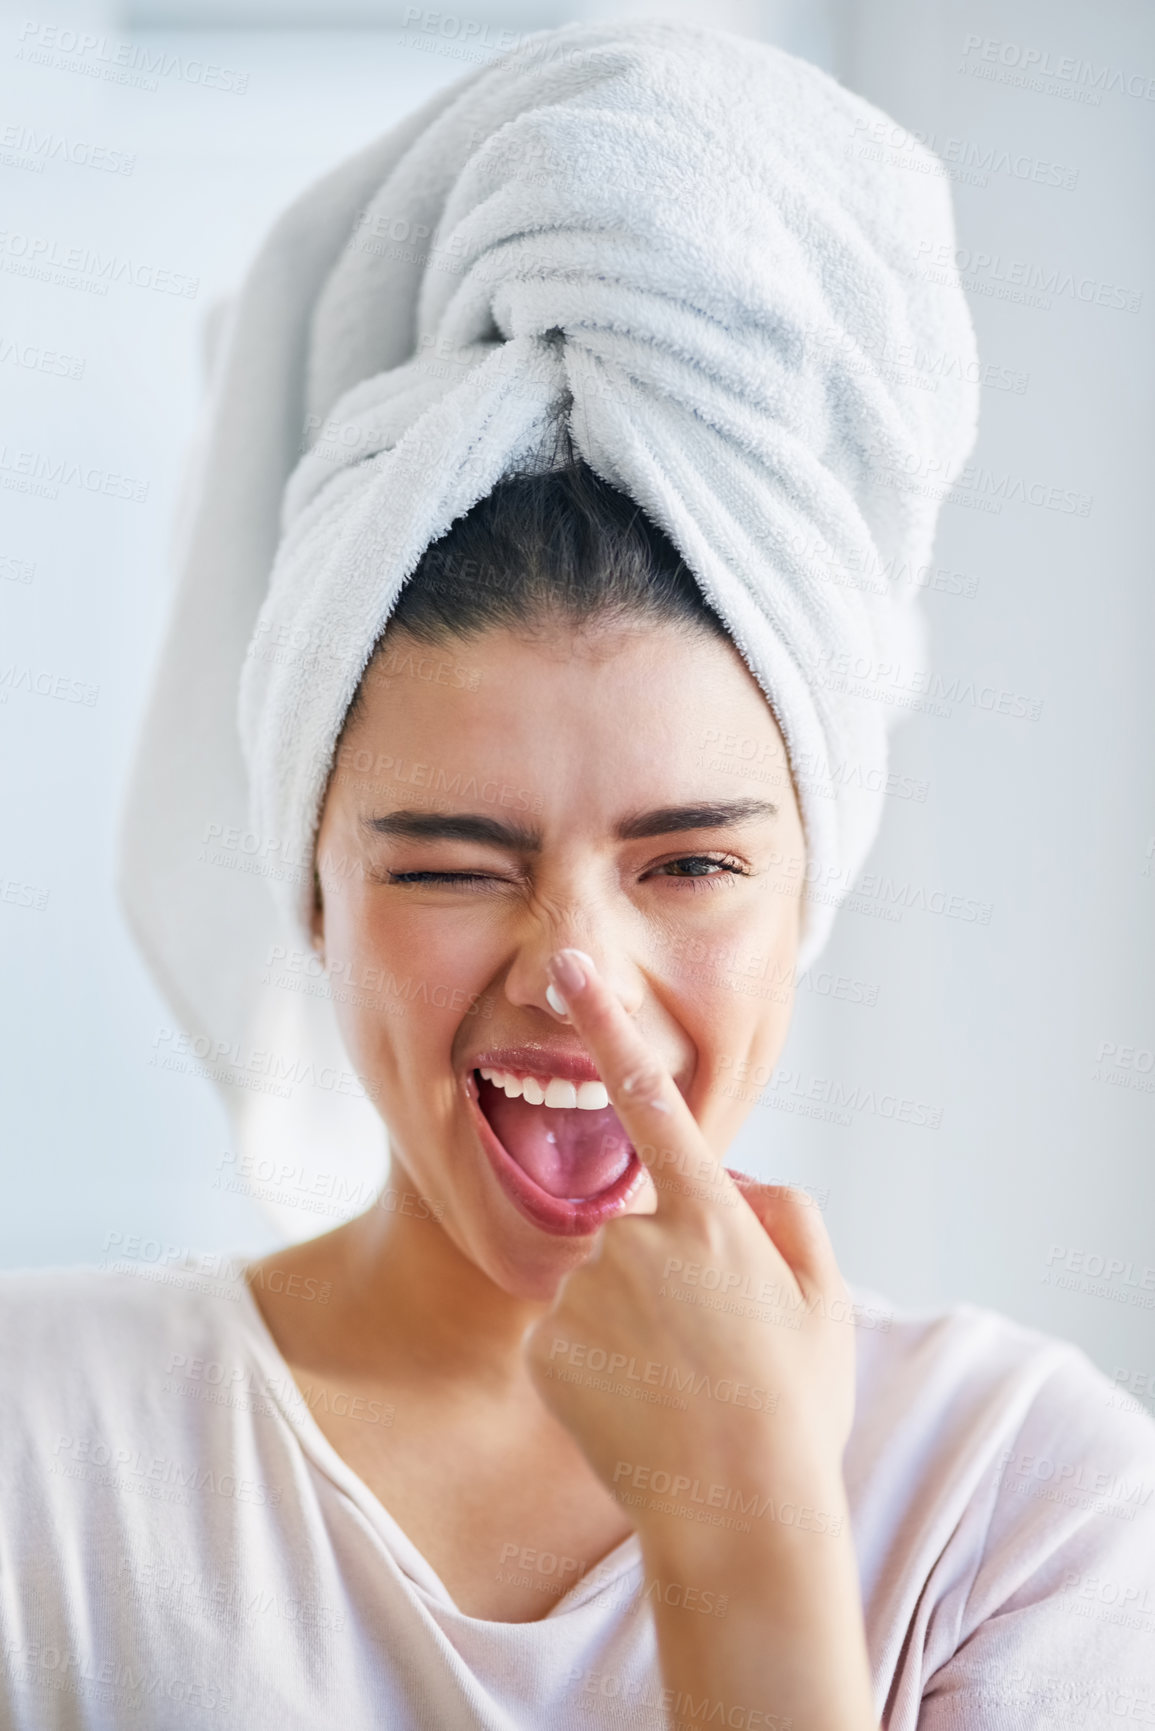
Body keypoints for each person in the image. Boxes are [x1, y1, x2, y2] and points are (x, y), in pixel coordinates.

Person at [3, 19, 1153, 1731]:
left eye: (687, 863)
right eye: (455, 865)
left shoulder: (1020, 1501)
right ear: (310, 885)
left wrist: (746, 1532)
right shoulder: (44, 1455)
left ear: (805, 883)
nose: (577, 973)